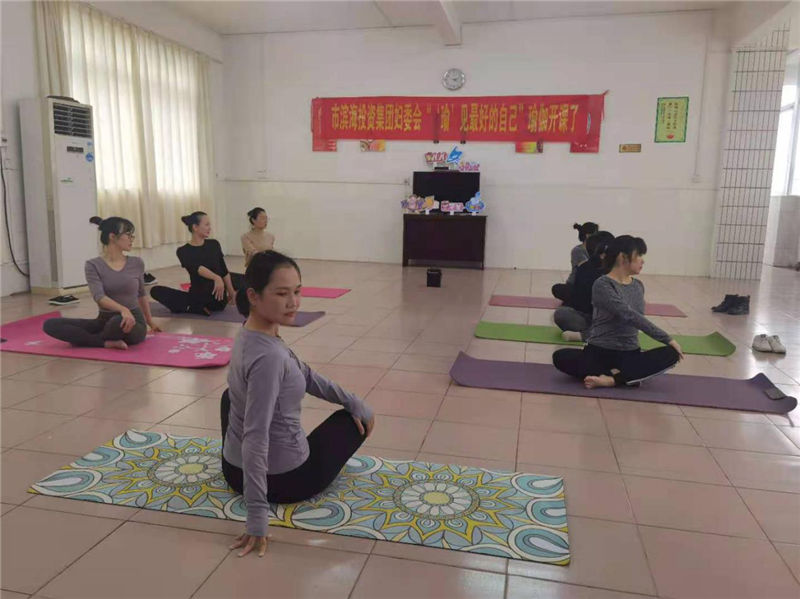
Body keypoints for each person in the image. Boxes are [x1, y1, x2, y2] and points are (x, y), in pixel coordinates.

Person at [222, 250, 375, 558]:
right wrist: (256, 517)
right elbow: (256, 436)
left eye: (297, 291)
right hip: (285, 480)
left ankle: (246, 472)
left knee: (230, 397)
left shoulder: (250, 332)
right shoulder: (270, 357)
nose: (293, 302)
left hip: (231, 468)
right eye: (282, 294)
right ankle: (266, 490)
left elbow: (305, 374)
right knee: (351, 421)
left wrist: (351, 399)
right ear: (253, 296)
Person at [552, 235, 683, 389]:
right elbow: (629, 315)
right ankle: (627, 376)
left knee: (671, 354)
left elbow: (638, 318)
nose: (642, 261)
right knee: (560, 356)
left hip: (629, 354)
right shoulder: (602, 284)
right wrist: (667, 338)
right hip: (599, 353)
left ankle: (612, 379)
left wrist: (669, 343)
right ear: (622, 257)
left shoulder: (638, 286)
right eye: (638, 255)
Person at [43, 217, 161, 349]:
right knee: (51, 324)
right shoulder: (93, 265)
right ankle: (105, 342)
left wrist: (149, 321)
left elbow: (141, 294)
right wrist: (123, 309)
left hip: (133, 322)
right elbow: (99, 297)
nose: (132, 239)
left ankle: (88, 339)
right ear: (112, 236)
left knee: (118, 322)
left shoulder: (137, 262)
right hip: (104, 320)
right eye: (128, 235)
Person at [150, 212, 238, 315]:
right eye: (207, 225)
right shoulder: (183, 251)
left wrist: (232, 293)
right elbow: (197, 268)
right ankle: (194, 306)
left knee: (241, 278)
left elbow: (223, 270)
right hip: (200, 296)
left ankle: (192, 307)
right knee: (156, 290)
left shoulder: (214, 244)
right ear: (195, 227)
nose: (210, 228)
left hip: (218, 300)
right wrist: (216, 277)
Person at [554, 231, 615, 342]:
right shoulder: (585, 265)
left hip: (606, 318)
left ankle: (588, 334)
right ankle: (595, 333)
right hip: (590, 316)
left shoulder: (615, 270)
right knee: (562, 313)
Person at [551, 221, 599, 303]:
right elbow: (586, 268)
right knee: (557, 288)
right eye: (596, 234)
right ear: (588, 235)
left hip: (590, 284)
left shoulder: (596, 250)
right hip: (576, 285)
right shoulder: (578, 250)